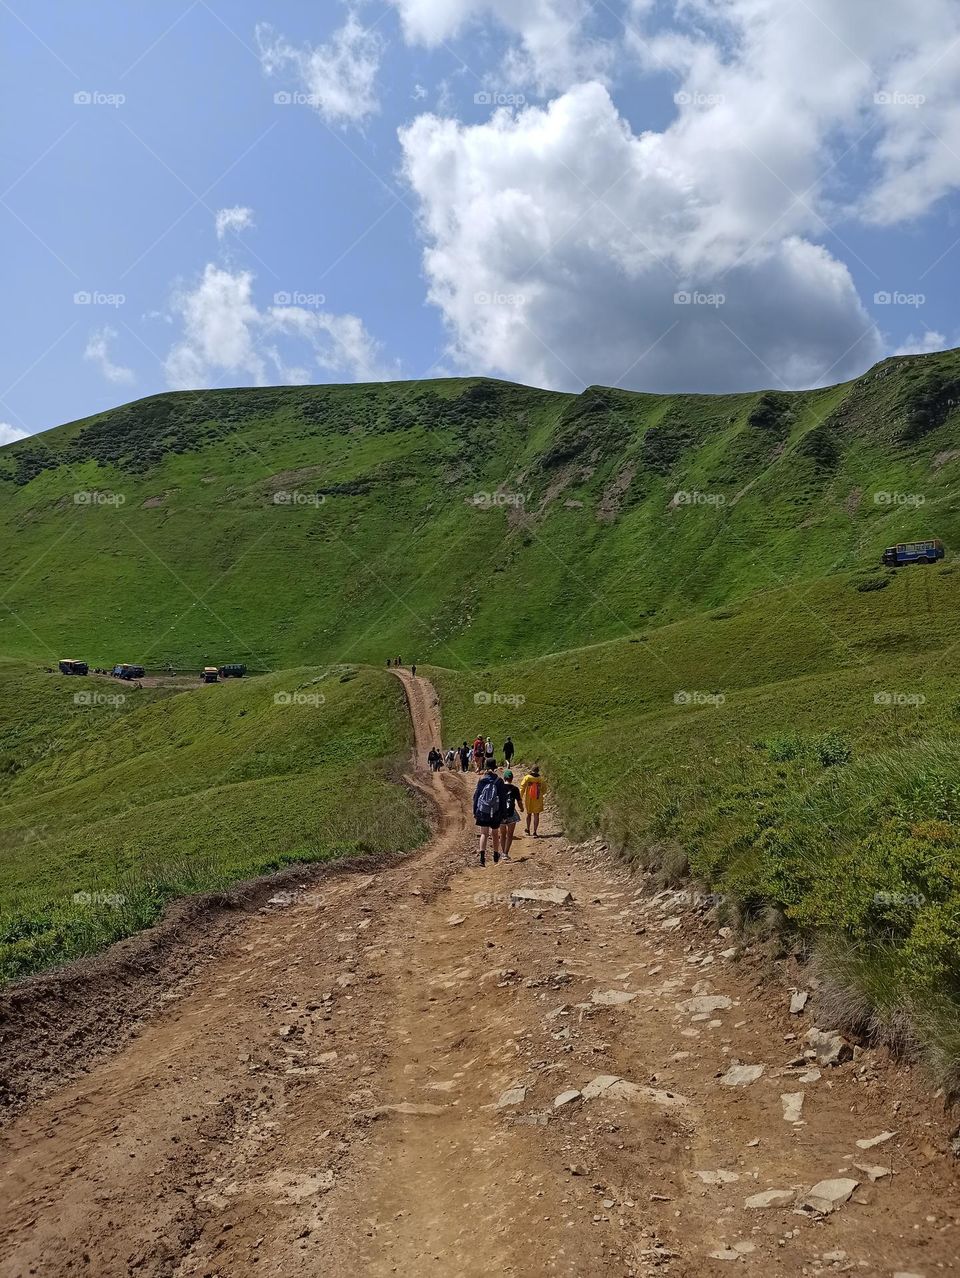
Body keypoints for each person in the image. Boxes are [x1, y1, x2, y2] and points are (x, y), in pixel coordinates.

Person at [473, 763, 506, 866]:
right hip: (495, 811)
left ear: (486, 767)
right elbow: (502, 799)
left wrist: (475, 811)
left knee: (484, 833)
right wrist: (503, 813)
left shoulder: (482, 780)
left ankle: (482, 859)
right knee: (495, 833)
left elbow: (476, 797)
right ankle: (495, 856)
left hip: (483, 811)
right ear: (495, 767)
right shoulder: (499, 781)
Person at [499, 769, 523, 859]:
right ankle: (506, 853)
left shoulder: (499, 787)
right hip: (511, 813)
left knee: (502, 834)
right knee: (510, 834)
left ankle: (502, 853)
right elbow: (519, 801)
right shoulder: (515, 789)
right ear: (512, 778)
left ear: (504, 778)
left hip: (501, 813)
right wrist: (522, 808)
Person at [520, 765, 547, 836]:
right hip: (538, 798)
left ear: (531, 770)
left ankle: (528, 829)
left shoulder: (527, 778)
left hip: (529, 798)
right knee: (536, 814)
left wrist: (520, 796)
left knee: (529, 814)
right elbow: (544, 789)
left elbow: (522, 787)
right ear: (538, 771)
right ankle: (535, 831)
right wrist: (541, 792)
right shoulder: (541, 779)